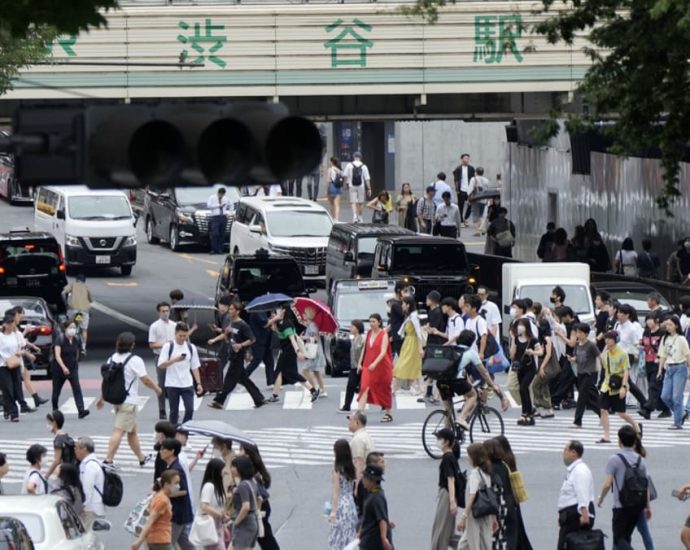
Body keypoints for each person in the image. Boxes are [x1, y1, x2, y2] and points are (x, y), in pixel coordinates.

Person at [97, 331, 162, 465]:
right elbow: (145, 380)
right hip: (129, 402)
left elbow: (107, 380)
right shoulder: (135, 360)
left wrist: (102, 397)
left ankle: (141, 458)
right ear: (132, 345)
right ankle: (108, 460)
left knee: (132, 432)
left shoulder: (112, 358)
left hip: (117, 400)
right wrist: (157, 388)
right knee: (119, 431)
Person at [597, 426, 650, 550]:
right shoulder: (640, 460)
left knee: (619, 539)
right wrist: (647, 505)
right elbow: (646, 484)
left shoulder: (615, 459)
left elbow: (607, 483)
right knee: (626, 537)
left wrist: (601, 498)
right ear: (634, 441)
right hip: (637, 505)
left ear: (619, 441)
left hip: (620, 506)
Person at [208, 301, 266, 409]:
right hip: (232, 353)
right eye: (229, 309)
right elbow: (225, 334)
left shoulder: (243, 325)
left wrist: (241, 345)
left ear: (237, 311)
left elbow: (252, 339)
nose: (229, 311)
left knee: (229, 380)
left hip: (238, 356)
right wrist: (214, 339)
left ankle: (219, 401)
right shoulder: (231, 322)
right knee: (243, 379)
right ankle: (259, 399)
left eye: (231, 309)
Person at [483, 438, 531, 550]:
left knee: (500, 539)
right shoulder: (505, 464)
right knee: (511, 537)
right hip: (511, 503)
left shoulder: (491, 468)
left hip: (501, 505)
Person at [266, 303, 319, 403]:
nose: (278, 312)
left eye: (280, 310)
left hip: (289, 352)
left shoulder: (287, 323)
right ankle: (275, 395)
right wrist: (274, 320)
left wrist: (298, 352)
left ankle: (313, 390)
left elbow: (292, 339)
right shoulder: (282, 323)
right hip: (285, 351)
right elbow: (278, 332)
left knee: (285, 372)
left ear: (284, 311)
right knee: (282, 372)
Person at [598, 331, 641, 443]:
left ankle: (635, 425)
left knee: (621, 412)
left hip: (618, 385)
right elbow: (604, 367)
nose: (607, 341)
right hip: (606, 385)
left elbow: (626, 371)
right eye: (606, 339)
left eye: (610, 339)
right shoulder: (606, 353)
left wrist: (623, 387)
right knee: (603, 410)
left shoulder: (622, 353)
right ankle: (606, 436)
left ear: (615, 340)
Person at [157, 322, 203, 426]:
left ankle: (184, 431)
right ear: (175, 334)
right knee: (174, 412)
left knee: (190, 409)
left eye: (185, 336)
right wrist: (175, 360)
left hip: (187, 383)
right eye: (180, 336)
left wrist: (199, 383)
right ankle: (172, 432)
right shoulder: (168, 346)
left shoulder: (191, 347)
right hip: (172, 384)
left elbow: (195, 366)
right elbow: (161, 365)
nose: (183, 338)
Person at [238, 443, 280, 550]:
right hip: (261, 506)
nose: (239, 453)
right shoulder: (255, 467)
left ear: (248, 454)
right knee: (264, 536)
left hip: (259, 507)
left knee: (264, 537)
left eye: (241, 450)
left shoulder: (251, 470)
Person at [557, 440, 595, 549]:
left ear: (573, 453)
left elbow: (582, 494)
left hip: (577, 516)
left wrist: (584, 515)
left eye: (565, 450)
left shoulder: (580, 471)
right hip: (570, 516)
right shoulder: (573, 470)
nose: (563, 454)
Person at [431, 428, 464, 550]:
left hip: (446, 495)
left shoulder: (447, 458)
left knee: (440, 530)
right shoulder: (451, 457)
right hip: (449, 494)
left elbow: (451, 479)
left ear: (446, 442)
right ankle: (470, 544)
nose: (437, 441)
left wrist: (451, 502)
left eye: (439, 439)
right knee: (448, 533)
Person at [357, 312, 393, 423]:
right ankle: (359, 414)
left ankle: (388, 413)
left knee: (384, 390)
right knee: (364, 388)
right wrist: (360, 362)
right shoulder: (368, 333)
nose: (371, 324)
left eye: (374, 321)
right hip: (368, 365)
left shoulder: (384, 334)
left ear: (379, 322)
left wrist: (375, 364)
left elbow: (383, 352)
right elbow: (365, 349)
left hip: (382, 367)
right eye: (370, 321)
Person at [10, 306, 48, 410]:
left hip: (17, 356)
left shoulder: (16, 326)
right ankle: (13, 403)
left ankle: (34, 398)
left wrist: (33, 346)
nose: (23, 316)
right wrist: (26, 331)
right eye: (22, 313)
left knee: (25, 376)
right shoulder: (11, 325)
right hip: (11, 357)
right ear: (17, 314)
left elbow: (20, 339)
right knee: (13, 382)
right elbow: (14, 341)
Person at [159, 438, 195, 549]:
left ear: (172, 451)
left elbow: (183, 490)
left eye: (163, 449)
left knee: (168, 543)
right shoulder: (172, 466)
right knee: (184, 542)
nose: (161, 451)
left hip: (178, 512)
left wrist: (165, 494)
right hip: (180, 511)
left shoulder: (176, 470)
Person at [457, 443, 494, 550]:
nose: (468, 458)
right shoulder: (486, 471)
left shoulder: (475, 474)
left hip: (474, 514)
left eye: (469, 456)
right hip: (486, 512)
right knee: (466, 545)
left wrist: (464, 516)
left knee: (473, 545)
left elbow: (472, 495)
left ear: (474, 457)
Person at [132, 469, 179, 550]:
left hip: (157, 539)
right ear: (167, 484)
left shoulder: (159, 496)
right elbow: (151, 520)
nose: (178, 486)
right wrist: (139, 540)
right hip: (160, 540)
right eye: (176, 483)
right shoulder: (163, 500)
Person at [51, 319, 88, 418]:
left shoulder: (77, 339)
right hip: (59, 369)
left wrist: (76, 362)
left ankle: (81, 410)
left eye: (74, 327)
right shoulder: (60, 339)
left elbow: (78, 352)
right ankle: (55, 409)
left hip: (72, 368)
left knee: (77, 389)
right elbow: (57, 356)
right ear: (65, 329)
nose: (72, 330)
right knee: (56, 391)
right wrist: (63, 367)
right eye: (70, 327)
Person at [658, 315, 690, 429]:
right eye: (667, 325)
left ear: (676, 326)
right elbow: (662, 355)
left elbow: (687, 355)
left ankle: (677, 422)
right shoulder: (664, 339)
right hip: (668, 368)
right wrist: (660, 370)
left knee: (677, 396)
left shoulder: (681, 339)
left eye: (670, 325)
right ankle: (680, 414)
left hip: (680, 368)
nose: (668, 327)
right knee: (665, 396)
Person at [638, 312, 670, 420]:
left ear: (656, 320)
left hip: (659, 363)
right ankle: (665, 408)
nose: (648, 321)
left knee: (653, 386)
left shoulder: (662, 333)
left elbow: (665, 348)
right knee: (656, 388)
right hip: (648, 362)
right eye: (647, 319)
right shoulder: (646, 332)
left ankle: (647, 410)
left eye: (650, 319)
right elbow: (643, 344)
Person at [569, 323, 602, 428]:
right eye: (577, 332)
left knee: (582, 397)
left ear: (586, 334)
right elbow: (577, 358)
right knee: (591, 398)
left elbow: (599, 356)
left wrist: (606, 369)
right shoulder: (578, 345)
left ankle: (577, 421)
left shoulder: (591, 345)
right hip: (580, 373)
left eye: (580, 332)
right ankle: (603, 414)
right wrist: (572, 359)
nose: (578, 334)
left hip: (589, 373)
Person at [328, 439, 359, 550]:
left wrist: (333, 511)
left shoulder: (337, 469)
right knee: (349, 534)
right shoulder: (352, 467)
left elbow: (336, 492)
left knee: (338, 535)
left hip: (341, 505)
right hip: (350, 504)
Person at [510, 318, 541, 426]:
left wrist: (532, 352)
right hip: (520, 368)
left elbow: (541, 351)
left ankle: (525, 412)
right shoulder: (516, 339)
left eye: (522, 325)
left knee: (524, 387)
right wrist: (513, 341)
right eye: (518, 325)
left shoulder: (532, 339)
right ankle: (528, 412)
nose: (519, 327)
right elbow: (512, 355)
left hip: (530, 367)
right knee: (522, 389)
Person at [149, 302, 177, 420]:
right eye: (163, 311)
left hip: (173, 357)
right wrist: (165, 344)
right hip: (160, 357)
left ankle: (174, 409)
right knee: (162, 383)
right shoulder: (154, 326)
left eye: (167, 311)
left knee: (174, 384)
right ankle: (162, 409)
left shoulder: (174, 325)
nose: (165, 313)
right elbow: (152, 344)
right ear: (159, 312)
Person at [392, 296, 424, 398]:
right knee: (410, 365)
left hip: (412, 343)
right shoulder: (410, 316)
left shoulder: (413, 317)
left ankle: (394, 389)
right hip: (408, 342)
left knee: (402, 365)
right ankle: (419, 388)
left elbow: (418, 333)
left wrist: (420, 348)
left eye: (403, 304)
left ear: (408, 305)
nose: (402, 306)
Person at [357, 464, 393, 550]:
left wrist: (383, 538)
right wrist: (360, 531)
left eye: (365, 478)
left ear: (372, 480)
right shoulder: (371, 494)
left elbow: (382, 519)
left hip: (374, 542)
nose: (363, 481)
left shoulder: (377, 497)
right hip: (367, 539)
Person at [419, 291, 444, 405]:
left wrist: (427, 328)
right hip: (432, 342)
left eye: (428, 298)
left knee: (436, 368)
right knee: (431, 368)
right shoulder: (432, 311)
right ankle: (428, 393)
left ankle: (437, 396)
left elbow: (432, 329)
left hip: (437, 342)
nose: (426, 300)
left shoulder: (437, 312)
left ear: (432, 300)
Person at [230, 455, 260, 550]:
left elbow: (246, 507)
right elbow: (259, 498)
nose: (232, 469)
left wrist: (236, 522)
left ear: (240, 469)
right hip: (252, 522)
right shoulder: (252, 482)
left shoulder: (243, 485)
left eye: (233, 467)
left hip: (244, 524)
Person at [196, 458, 228, 550]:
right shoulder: (209, 486)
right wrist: (221, 515)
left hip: (217, 527)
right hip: (210, 527)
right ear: (217, 471)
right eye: (223, 469)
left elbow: (220, 507)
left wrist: (224, 526)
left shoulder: (217, 486)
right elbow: (204, 506)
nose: (225, 472)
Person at [0, 312, 25, 422]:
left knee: (16, 388)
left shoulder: (16, 335)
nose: (10, 326)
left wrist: (19, 353)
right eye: (8, 323)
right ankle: (14, 413)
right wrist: (6, 359)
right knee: (7, 388)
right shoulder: (1, 336)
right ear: (4, 325)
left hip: (15, 363)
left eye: (12, 323)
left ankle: (7, 406)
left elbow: (21, 346)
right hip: (3, 365)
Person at [75, 436, 105, 527]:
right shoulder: (91, 463)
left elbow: (87, 489)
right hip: (94, 508)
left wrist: (83, 506)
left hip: (91, 509)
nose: (75, 450)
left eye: (76, 448)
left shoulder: (90, 465)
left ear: (84, 449)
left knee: (88, 537)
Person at [298, 306, 327, 397]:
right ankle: (322, 390)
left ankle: (314, 389)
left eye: (305, 313)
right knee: (316, 371)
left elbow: (316, 338)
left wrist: (304, 338)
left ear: (309, 315)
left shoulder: (313, 325)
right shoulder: (310, 325)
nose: (303, 315)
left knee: (305, 370)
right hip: (315, 350)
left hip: (314, 351)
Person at [245, 309, 276, 388]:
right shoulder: (257, 312)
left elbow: (266, 322)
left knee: (269, 361)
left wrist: (271, 318)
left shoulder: (262, 312)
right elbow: (265, 324)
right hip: (259, 340)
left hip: (265, 340)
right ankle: (243, 376)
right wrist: (275, 318)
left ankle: (271, 382)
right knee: (256, 361)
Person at [339, 319, 365, 413]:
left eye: (352, 326)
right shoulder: (353, 338)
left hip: (362, 366)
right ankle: (347, 406)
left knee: (369, 387)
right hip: (354, 366)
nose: (350, 328)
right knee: (350, 386)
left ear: (357, 328)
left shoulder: (362, 337)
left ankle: (383, 405)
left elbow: (364, 351)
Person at [63, 273, 92, 353]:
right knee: (84, 329)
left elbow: (63, 292)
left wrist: (65, 303)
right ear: (84, 281)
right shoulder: (87, 287)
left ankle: (68, 343)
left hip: (73, 309)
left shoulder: (72, 285)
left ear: (76, 280)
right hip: (84, 310)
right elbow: (91, 300)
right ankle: (83, 347)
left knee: (69, 325)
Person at [45, 410, 75, 478]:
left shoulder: (58, 439)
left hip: (64, 472)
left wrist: (46, 476)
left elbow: (57, 460)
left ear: (54, 423)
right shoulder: (66, 436)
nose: (47, 425)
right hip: (72, 469)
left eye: (49, 423)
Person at [343, 152, 372, 223]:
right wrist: (369, 188)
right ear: (360, 157)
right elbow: (367, 178)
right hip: (361, 186)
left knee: (353, 202)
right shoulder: (364, 166)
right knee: (361, 202)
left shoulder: (349, 165)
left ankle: (354, 216)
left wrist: (345, 184)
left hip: (352, 186)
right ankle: (360, 217)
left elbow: (345, 176)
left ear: (353, 157)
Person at [348, 411, 374, 480]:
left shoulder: (358, 439)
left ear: (357, 422)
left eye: (350, 420)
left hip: (364, 479)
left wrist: (357, 486)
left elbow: (359, 463)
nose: (348, 423)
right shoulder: (366, 435)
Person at [207, 186, 231, 254]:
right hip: (215, 217)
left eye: (223, 195)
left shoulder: (226, 199)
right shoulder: (212, 197)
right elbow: (209, 205)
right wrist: (218, 206)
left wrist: (229, 213)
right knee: (215, 233)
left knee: (222, 234)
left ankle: (220, 249)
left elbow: (231, 205)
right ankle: (213, 249)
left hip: (223, 217)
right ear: (218, 193)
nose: (221, 196)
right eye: (220, 194)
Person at [452, 153, 475, 226]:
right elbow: (456, 179)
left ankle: (465, 218)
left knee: (471, 205)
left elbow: (473, 179)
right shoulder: (458, 168)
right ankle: (461, 221)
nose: (467, 160)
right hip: (461, 190)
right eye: (465, 158)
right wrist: (457, 190)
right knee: (460, 206)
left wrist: (473, 189)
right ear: (461, 159)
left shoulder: (471, 168)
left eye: (468, 158)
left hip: (469, 190)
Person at [467, 167, 489, 233]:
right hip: (484, 199)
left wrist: (468, 198)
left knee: (475, 214)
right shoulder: (486, 180)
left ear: (476, 172)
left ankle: (477, 231)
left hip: (476, 199)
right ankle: (481, 228)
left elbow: (470, 190)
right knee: (481, 215)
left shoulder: (473, 179)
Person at [327, 156, 344, 221]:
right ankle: (337, 219)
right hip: (339, 187)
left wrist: (326, 190)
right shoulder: (340, 170)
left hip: (332, 186)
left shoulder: (330, 169)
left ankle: (332, 218)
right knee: (337, 204)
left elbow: (328, 180)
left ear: (332, 162)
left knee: (331, 204)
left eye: (329, 161)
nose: (329, 162)